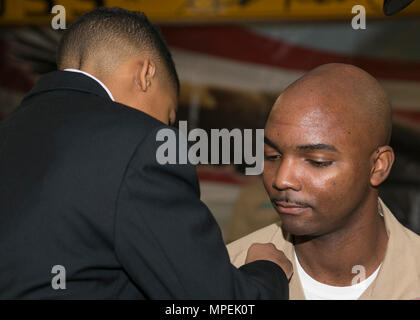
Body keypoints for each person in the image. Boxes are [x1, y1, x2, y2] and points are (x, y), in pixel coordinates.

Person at [0, 7, 292, 299]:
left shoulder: (10, 130)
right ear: (145, 74)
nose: (165, 128)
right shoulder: (142, 142)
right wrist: (267, 269)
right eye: (167, 117)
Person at [227, 63, 420, 300]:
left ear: (378, 166)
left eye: (317, 161)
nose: (282, 179)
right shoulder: (226, 277)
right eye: (272, 156)